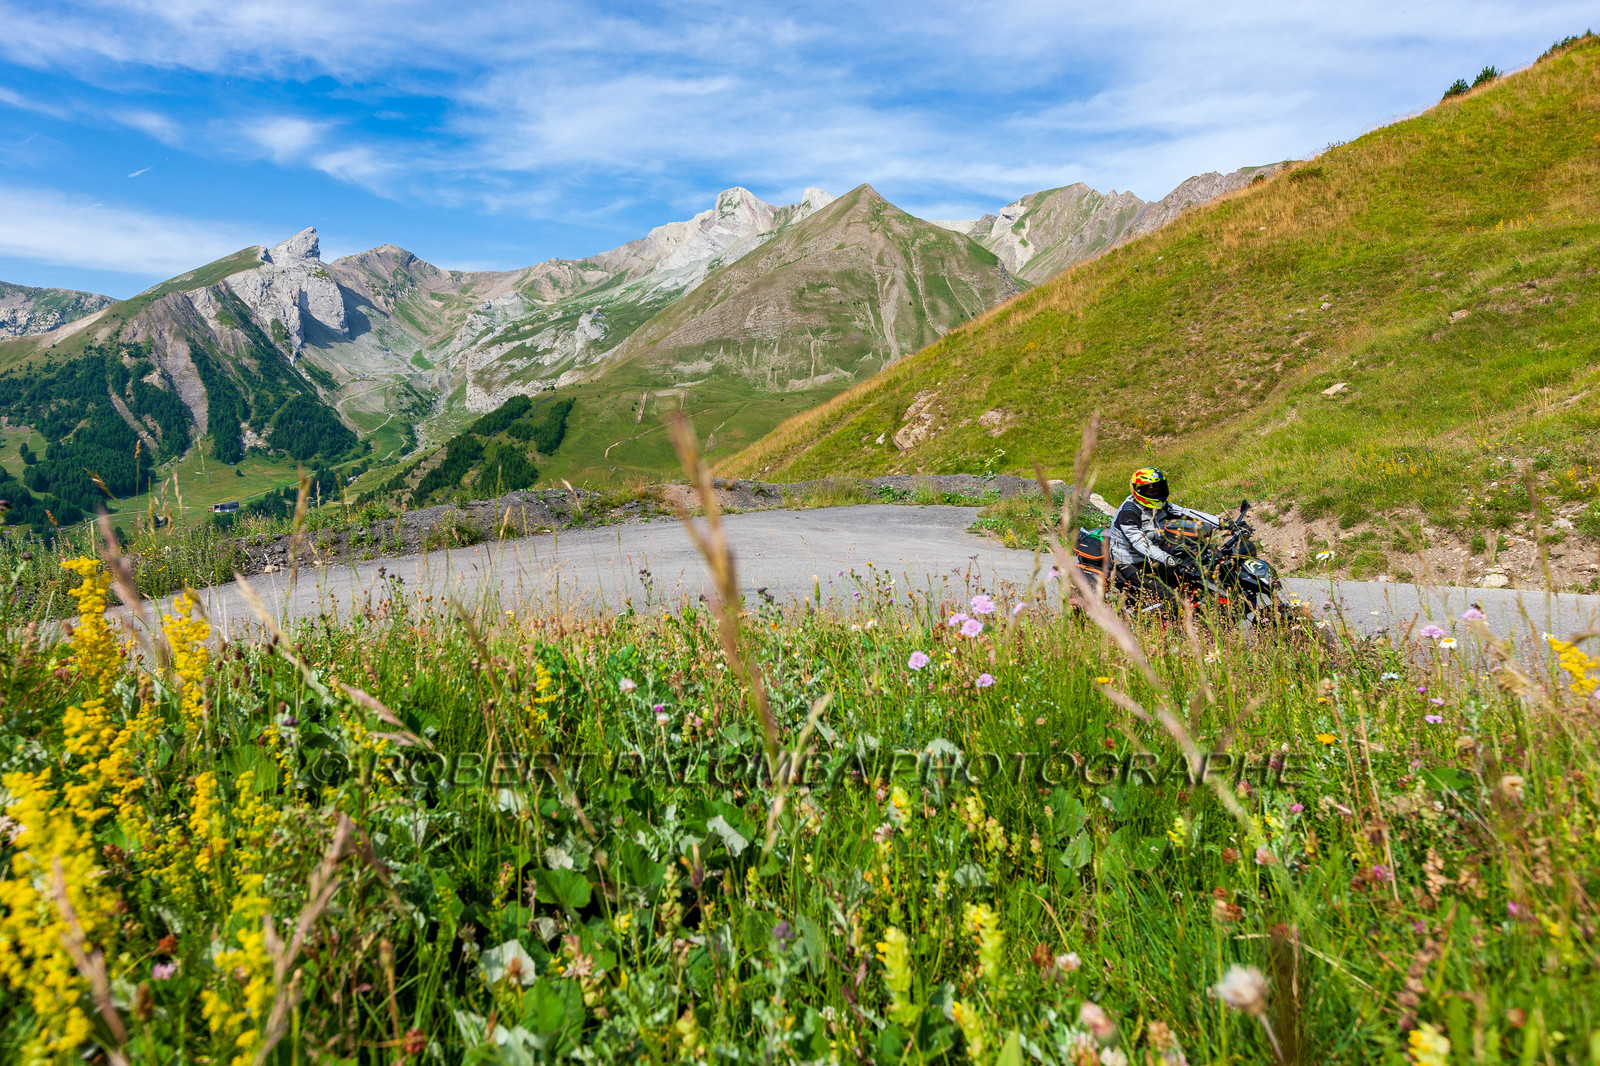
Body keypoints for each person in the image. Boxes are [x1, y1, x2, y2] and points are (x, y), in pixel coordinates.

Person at [1108, 468, 1220, 609]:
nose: (1158, 494)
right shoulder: (1129, 513)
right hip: (1132, 562)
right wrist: (1169, 559)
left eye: (1160, 489)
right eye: (1152, 492)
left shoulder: (1161, 505)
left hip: (1156, 555)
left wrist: (1221, 522)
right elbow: (1140, 544)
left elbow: (1186, 512)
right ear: (1138, 491)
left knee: (1194, 576)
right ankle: (1152, 624)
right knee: (1172, 600)